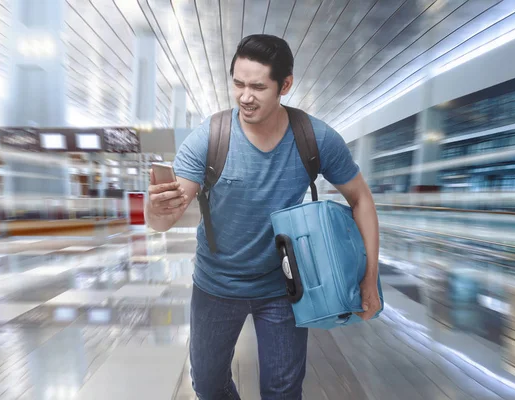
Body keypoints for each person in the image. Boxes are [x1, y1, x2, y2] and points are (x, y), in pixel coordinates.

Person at [144, 34, 381, 400]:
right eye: (238, 84)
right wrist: (155, 210)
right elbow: (163, 220)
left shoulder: (313, 137)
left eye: (258, 86)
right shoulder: (210, 137)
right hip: (216, 286)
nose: (245, 96)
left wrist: (369, 278)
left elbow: (361, 199)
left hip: (284, 286)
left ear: (285, 85)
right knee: (207, 385)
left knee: (283, 391)